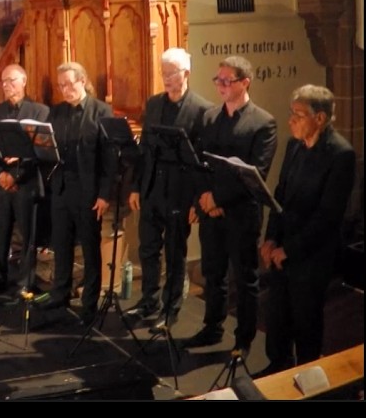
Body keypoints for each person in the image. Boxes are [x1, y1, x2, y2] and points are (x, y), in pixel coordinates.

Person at [257, 85, 355, 376]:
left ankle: (307, 376)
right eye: (292, 113)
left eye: (299, 115)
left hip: (311, 255)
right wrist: (271, 237)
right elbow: (279, 194)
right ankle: (278, 367)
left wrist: (290, 249)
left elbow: (328, 217)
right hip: (282, 246)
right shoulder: (294, 146)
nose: (291, 120)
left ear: (320, 118)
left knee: (306, 321)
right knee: (277, 317)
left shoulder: (341, 155)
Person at [184, 56, 277, 354]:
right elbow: (199, 164)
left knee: (246, 278)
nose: (221, 85)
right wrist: (205, 199)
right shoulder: (210, 117)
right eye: (218, 80)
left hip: (241, 213)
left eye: (227, 80)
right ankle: (212, 327)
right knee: (213, 273)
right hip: (211, 211)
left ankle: (244, 338)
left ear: (245, 82)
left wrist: (218, 199)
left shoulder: (263, 122)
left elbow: (256, 173)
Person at [124, 48, 210, 327]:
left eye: (171, 73)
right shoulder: (154, 103)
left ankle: (170, 307)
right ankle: (148, 299)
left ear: (186, 73)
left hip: (180, 192)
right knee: (148, 249)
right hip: (151, 188)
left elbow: (202, 162)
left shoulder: (201, 110)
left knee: (175, 252)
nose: (166, 79)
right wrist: (136, 187)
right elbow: (145, 151)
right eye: (163, 73)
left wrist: (197, 202)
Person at [41, 62, 116, 326]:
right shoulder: (56, 112)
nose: (65, 90)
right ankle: (60, 294)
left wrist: (104, 195)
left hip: (89, 192)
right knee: (61, 245)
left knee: (89, 247)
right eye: (61, 86)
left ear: (82, 81)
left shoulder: (101, 111)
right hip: (61, 189)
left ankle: (89, 303)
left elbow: (110, 159)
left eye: (70, 84)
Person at [0, 64, 50, 297]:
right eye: (3, 82)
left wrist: (15, 175)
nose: (6, 86)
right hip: (1, 182)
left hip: (26, 181)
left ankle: (26, 281)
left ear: (24, 81)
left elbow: (39, 150)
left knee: (27, 234)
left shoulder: (39, 111)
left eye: (11, 81)